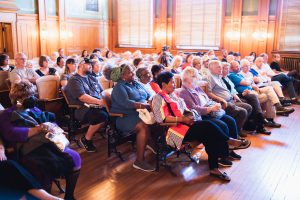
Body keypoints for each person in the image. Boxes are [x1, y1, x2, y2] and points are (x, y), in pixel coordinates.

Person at [152, 71, 249, 181]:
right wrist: (181, 119)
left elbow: (184, 110)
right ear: (163, 85)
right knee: (207, 125)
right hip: (173, 133)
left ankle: (214, 168)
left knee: (210, 133)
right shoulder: (158, 98)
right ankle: (229, 141)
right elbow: (160, 118)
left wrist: (190, 115)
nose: (175, 85)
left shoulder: (173, 95)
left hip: (186, 126)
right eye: (172, 82)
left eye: (174, 82)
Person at [0, 81, 81, 200]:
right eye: (28, 97)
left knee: (74, 156)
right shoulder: (7, 114)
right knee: (44, 166)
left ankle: (69, 196)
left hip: (46, 143)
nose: (32, 98)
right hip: (26, 147)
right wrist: (37, 129)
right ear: (18, 99)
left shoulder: (34, 109)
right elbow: (11, 133)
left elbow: (49, 121)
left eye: (33, 95)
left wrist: (51, 127)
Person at [179, 67, 250, 162]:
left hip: (211, 112)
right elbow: (194, 108)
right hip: (202, 116)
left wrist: (214, 105)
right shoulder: (184, 92)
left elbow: (207, 99)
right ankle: (222, 155)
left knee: (230, 121)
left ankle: (230, 150)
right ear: (188, 78)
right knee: (222, 125)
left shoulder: (196, 88)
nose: (198, 78)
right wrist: (210, 108)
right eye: (195, 76)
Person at [105, 63, 155, 172]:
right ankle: (139, 161)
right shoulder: (119, 87)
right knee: (143, 126)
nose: (133, 74)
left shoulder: (136, 83)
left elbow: (147, 95)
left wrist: (152, 101)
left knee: (158, 119)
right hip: (124, 117)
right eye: (130, 73)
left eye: (133, 71)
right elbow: (127, 103)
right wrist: (145, 105)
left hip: (140, 113)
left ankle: (154, 144)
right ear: (122, 76)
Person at [65, 58, 109, 152]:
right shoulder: (74, 80)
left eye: (91, 64)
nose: (90, 66)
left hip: (97, 105)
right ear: (80, 65)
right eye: (88, 64)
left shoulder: (92, 78)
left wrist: (106, 100)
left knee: (115, 110)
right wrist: (99, 102)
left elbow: (102, 92)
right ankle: (86, 139)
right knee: (102, 116)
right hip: (82, 108)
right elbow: (82, 97)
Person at [205, 60, 254, 136]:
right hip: (222, 103)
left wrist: (233, 96)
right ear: (211, 68)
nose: (221, 69)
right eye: (218, 67)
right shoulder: (209, 77)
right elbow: (208, 93)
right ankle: (235, 133)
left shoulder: (218, 76)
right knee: (243, 111)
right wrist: (221, 99)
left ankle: (238, 129)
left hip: (230, 100)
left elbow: (228, 90)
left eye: (221, 67)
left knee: (248, 107)